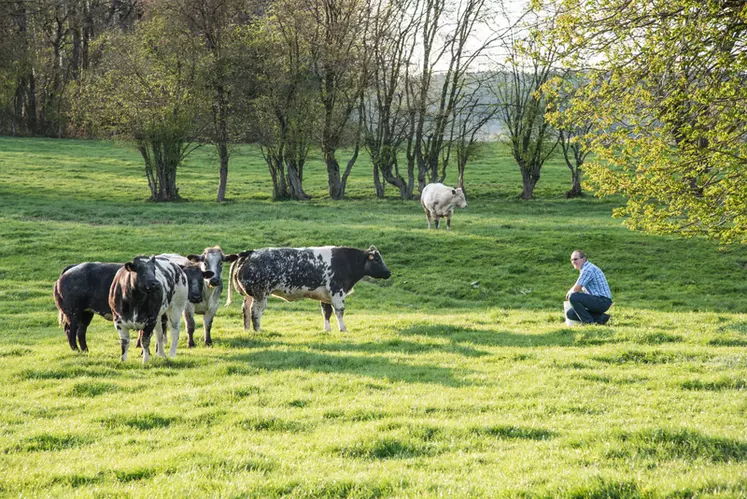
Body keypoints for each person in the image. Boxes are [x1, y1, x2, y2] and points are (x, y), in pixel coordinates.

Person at [565, 250, 612, 325]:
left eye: (575, 259)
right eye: (572, 260)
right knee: (570, 313)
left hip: (602, 301)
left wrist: (569, 294)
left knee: (573, 297)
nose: (573, 261)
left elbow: (576, 289)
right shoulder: (585, 268)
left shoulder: (588, 269)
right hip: (598, 300)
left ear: (583, 259)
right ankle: (601, 318)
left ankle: (588, 323)